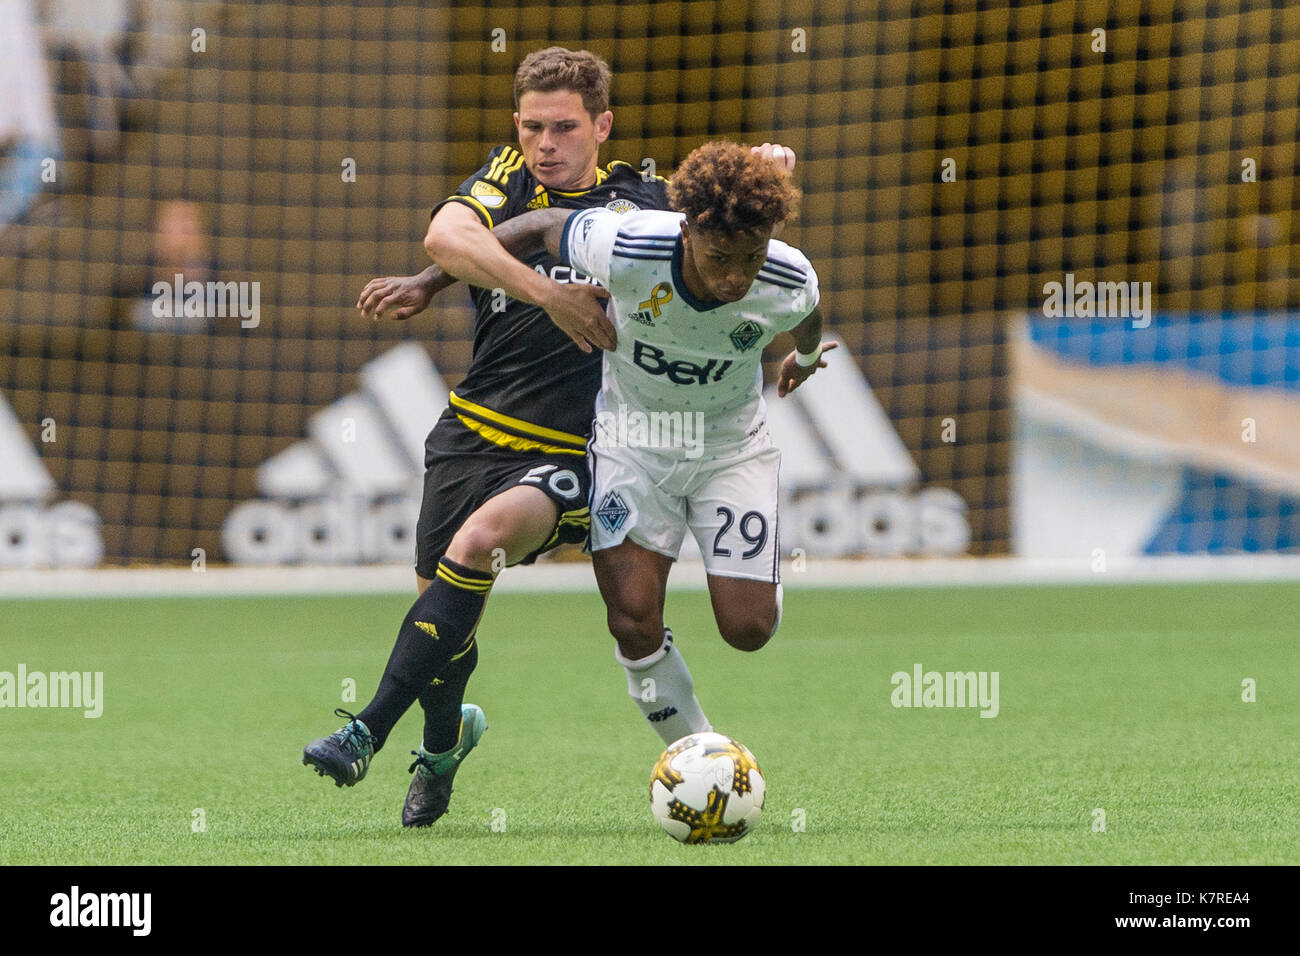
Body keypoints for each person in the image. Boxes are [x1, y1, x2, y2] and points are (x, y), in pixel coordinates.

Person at [302, 47, 671, 827]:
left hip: (576, 451)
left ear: (602, 126)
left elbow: (729, 225)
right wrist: (545, 296)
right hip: (469, 434)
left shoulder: (644, 201)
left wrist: (770, 167)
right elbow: (447, 239)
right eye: (533, 126)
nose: (546, 143)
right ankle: (443, 747)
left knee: (478, 546)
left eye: (565, 127)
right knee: (443, 623)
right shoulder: (506, 175)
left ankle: (365, 729)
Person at [466, 140, 833, 746]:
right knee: (633, 619)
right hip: (632, 444)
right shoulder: (629, 242)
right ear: (687, 231)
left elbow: (809, 315)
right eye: (720, 258)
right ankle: (696, 754)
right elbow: (535, 225)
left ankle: (759, 583)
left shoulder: (787, 275)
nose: (736, 277)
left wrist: (808, 357)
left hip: (730, 448)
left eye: (751, 256)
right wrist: (430, 280)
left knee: (748, 630)